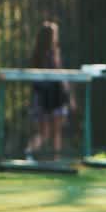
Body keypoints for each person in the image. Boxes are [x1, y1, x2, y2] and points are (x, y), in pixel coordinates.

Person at [24, 20, 75, 159]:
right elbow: (60, 74)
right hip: (52, 96)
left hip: (43, 96)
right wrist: (69, 97)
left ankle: (32, 152)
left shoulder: (37, 54)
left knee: (47, 131)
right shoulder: (51, 54)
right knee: (53, 131)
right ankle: (47, 156)